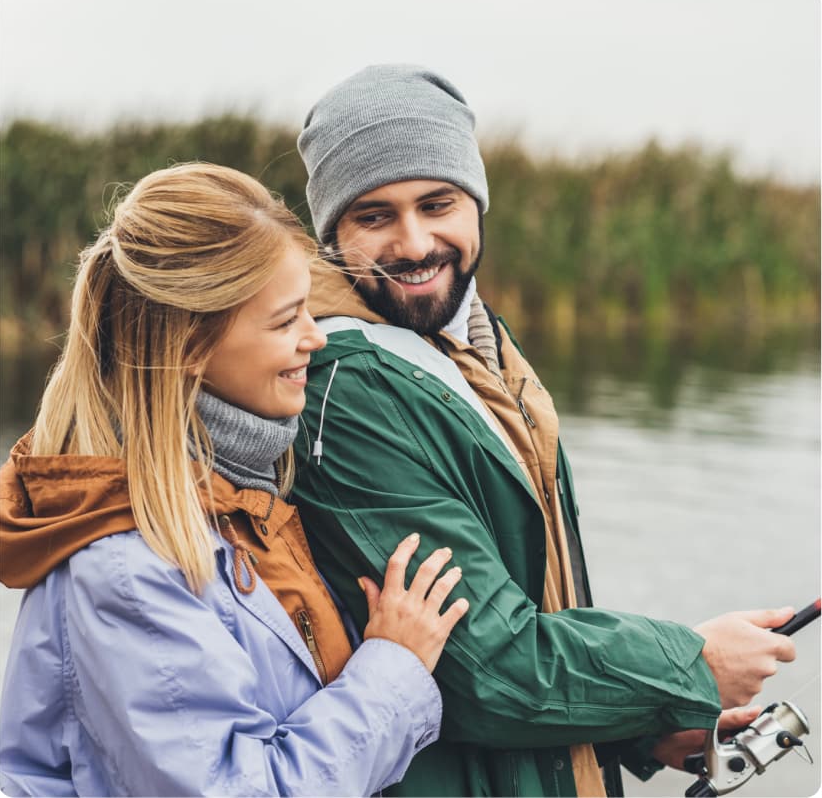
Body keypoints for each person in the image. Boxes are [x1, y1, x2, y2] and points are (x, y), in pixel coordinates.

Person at [290, 64, 798, 797]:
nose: (414, 241)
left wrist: (644, 722)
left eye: (438, 203)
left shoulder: (473, 342)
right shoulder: (349, 388)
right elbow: (482, 668)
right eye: (374, 216)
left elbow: (530, 605)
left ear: (476, 201)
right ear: (331, 231)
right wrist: (689, 663)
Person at [0, 162, 470, 797]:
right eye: (285, 321)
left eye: (309, 310)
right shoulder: (126, 571)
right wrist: (395, 667)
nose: (315, 339)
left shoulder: (246, 493)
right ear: (191, 346)